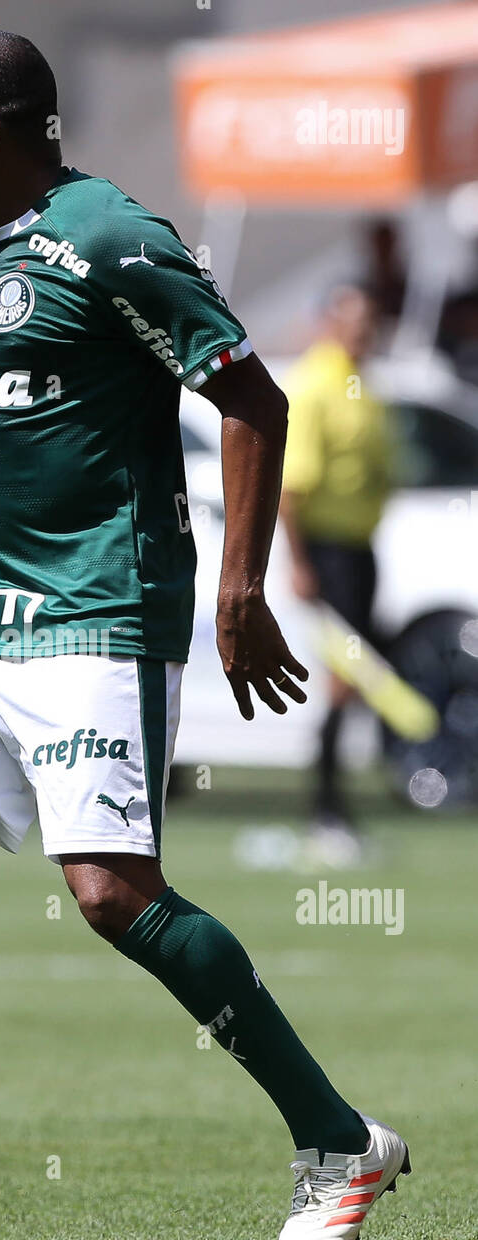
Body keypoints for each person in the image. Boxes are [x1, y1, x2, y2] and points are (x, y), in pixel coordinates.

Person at [0, 32, 409, 1240]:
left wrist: (236, 590)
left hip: (95, 611)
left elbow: (250, 399)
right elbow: (22, 426)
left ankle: (339, 1144)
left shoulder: (113, 238)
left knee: (112, 894)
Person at [280, 284, 393, 846]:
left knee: (354, 677)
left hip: (361, 549)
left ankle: (335, 806)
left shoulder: (363, 386)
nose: (365, 334)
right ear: (330, 323)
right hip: (328, 551)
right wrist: (299, 562)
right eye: (355, 322)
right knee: (344, 679)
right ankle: (325, 809)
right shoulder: (317, 385)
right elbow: (291, 487)